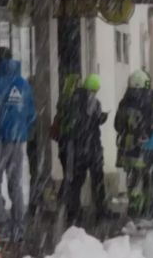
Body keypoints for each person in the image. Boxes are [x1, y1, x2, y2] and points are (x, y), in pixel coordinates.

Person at [0, 48, 36, 242]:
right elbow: (31, 113)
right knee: (15, 183)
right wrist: (21, 130)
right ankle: (19, 226)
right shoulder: (23, 84)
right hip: (18, 140)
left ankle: (2, 225)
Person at [115, 69, 153, 219]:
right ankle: (147, 206)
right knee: (146, 177)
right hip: (147, 147)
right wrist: (147, 134)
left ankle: (134, 205)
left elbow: (117, 125)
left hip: (128, 147)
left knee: (133, 177)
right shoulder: (152, 99)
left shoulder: (125, 102)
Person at [66, 74, 109, 225]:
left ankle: (73, 213)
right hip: (92, 147)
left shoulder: (73, 100)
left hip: (77, 148)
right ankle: (101, 212)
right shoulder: (94, 102)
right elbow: (92, 121)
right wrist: (101, 118)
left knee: (76, 182)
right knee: (97, 180)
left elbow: (76, 124)